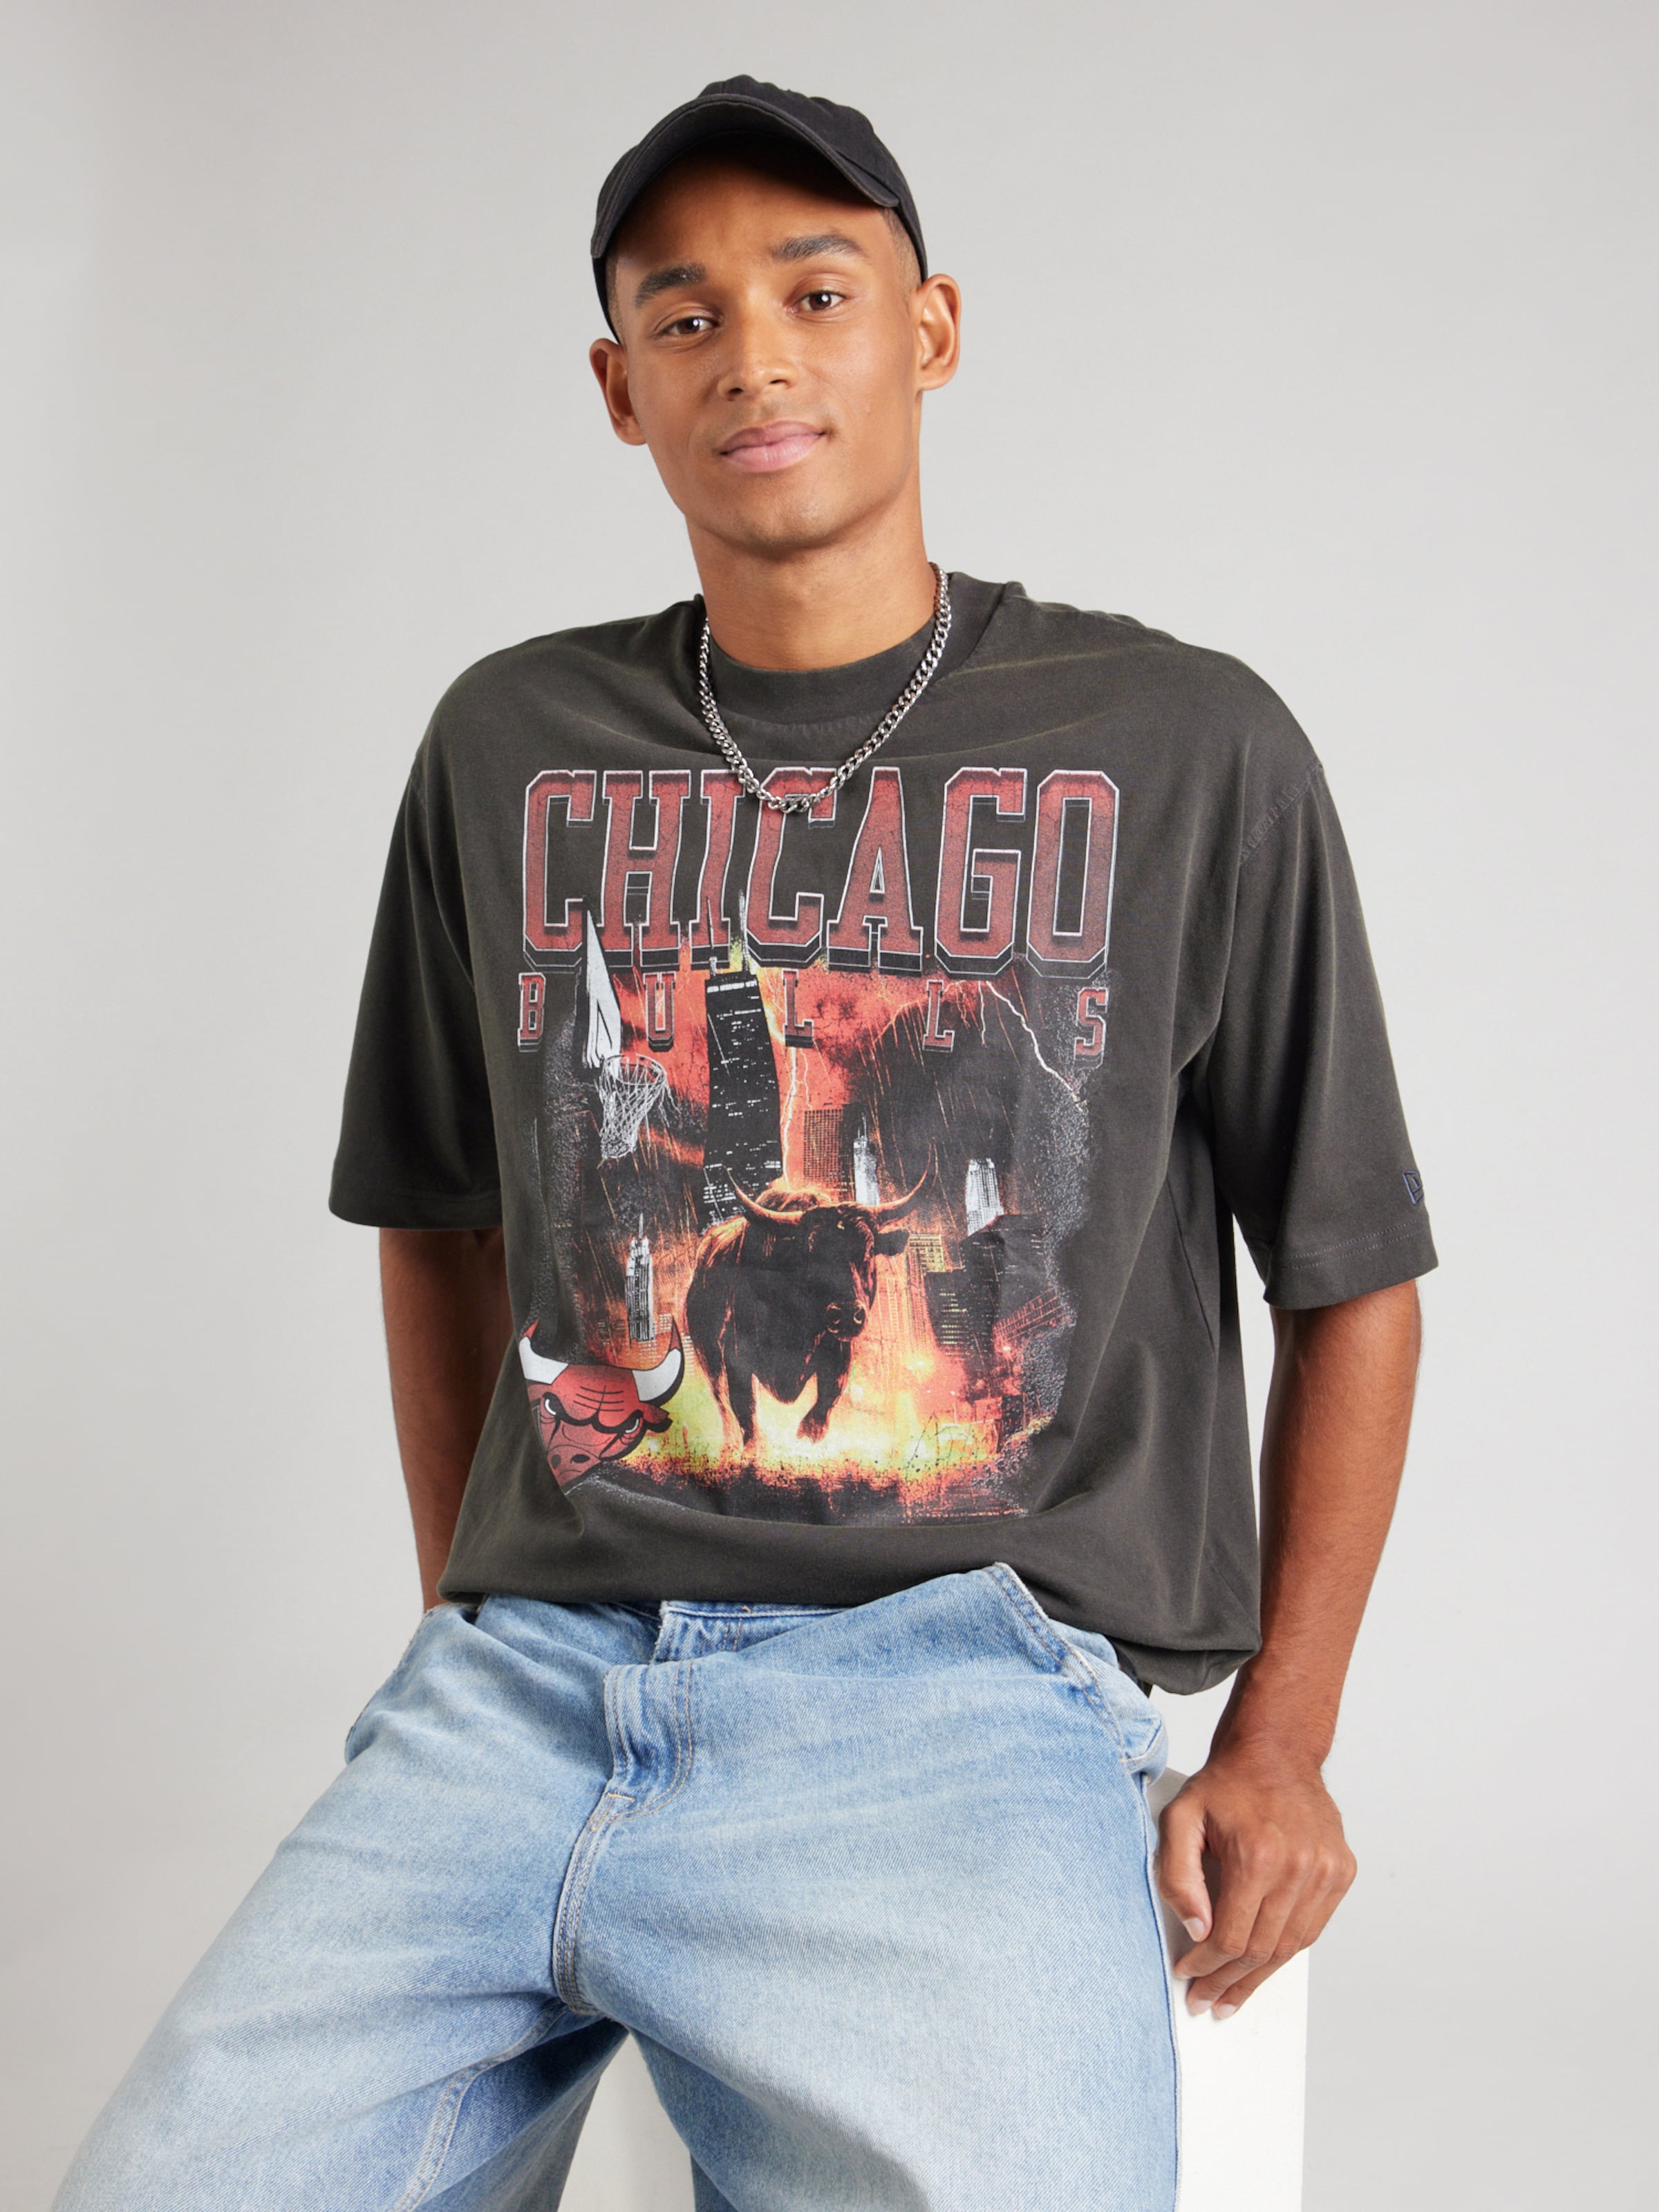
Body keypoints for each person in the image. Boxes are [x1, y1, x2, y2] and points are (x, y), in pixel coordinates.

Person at [54, 76, 1435, 2212]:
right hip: (523, 1699)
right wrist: (474, 1608)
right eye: (684, 317)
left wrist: (1285, 1741)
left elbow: (1352, 1275)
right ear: (620, 390)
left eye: (816, 292)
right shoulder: (510, 743)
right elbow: (437, 1219)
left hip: (957, 1705)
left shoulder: (1182, 745)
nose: (754, 358)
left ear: (931, 331)